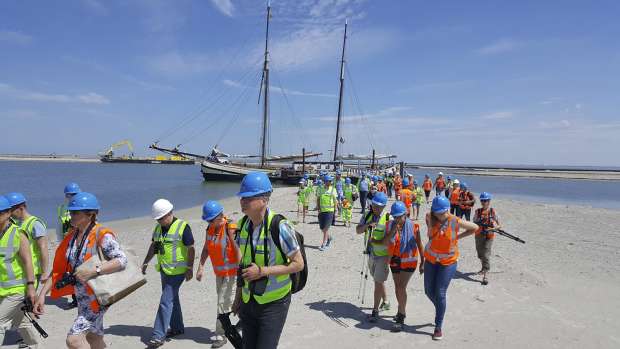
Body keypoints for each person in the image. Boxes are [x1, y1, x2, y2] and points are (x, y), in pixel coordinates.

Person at [34, 192, 128, 349]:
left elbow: (122, 260)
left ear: (90, 214)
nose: (70, 215)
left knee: (74, 340)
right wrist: (42, 294)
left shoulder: (102, 234)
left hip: (98, 297)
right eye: (70, 211)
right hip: (82, 298)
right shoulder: (72, 236)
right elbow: (59, 270)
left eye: (75, 212)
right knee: (94, 337)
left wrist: (94, 270)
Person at [231, 171, 304, 349]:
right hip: (249, 302)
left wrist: (263, 272)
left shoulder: (280, 226)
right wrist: (238, 296)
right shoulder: (242, 226)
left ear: (264, 199)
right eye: (242, 197)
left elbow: (298, 264)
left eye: (248, 198)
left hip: (274, 304)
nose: (242, 201)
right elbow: (242, 265)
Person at [423, 196, 478, 340]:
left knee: (440, 293)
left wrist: (458, 238)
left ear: (447, 209)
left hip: (448, 262)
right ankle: (440, 308)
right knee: (428, 291)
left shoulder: (454, 221)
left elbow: (475, 228)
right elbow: (430, 236)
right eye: (437, 212)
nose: (439, 215)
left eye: (442, 212)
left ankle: (438, 326)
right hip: (430, 260)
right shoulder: (429, 217)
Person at [142, 199, 195, 347]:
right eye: (157, 219)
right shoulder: (158, 229)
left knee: (166, 301)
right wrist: (146, 262)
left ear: (170, 213)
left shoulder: (183, 227)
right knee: (173, 300)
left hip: (178, 271)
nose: (159, 221)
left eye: (161, 218)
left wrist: (190, 268)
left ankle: (158, 335)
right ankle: (177, 328)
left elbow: (191, 248)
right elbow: (154, 246)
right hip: (165, 270)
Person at [196, 200, 240, 348]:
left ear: (218, 216)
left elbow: (238, 251)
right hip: (219, 274)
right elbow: (206, 249)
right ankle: (247, 319)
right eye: (207, 220)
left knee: (222, 303)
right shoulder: (209, 229)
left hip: (231, 273)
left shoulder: (230, 227)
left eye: (210, 219)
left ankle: (221, 335)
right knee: (227, 302)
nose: (208, 222)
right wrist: (200, 267)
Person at [0, 195, 40, 348]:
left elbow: (28, 262)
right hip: (2, 290)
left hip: (17, 289)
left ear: (8, 213)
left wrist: (31, 287)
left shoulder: (18, 233)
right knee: (23, 323)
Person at [383, 201, 424, 332]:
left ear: (405, 214)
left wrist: (423, 261)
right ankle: (402, 311)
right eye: (394, 216)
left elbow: (419, 244)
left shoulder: (414, 226)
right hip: (394, 260)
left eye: (399, 216)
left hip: (409, 261)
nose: (397, 219)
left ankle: (401, 316)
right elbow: (385, 242)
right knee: (397, 288)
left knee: (401, 287)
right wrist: (393, 231)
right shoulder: (389, 225)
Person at [355, 192, 390, 322]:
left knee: (377, 282)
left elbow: (391, 237)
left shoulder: (387, 218)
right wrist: (367, 226)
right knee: (378, 280)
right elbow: (358, 230)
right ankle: (386, 301)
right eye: (374, 205)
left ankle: (375, 311)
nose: (376, 208)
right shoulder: (367, 215)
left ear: (384, 206)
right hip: (369, 253)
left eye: (379, 206)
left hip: (383, 255)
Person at [6, 192, 50, 286]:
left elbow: (43, 248)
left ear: (21, 208)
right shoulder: (18, 224)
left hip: (33, 271)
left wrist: (45, 272)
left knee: (29, 298)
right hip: (21, 270)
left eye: (11, 210)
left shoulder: (35, 224)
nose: (9, 214)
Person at [473, 192, 500, 286]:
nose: (484, 202)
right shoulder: (477, 212)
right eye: (482, 200)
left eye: (486, 201)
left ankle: (485, 275)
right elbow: (474, 223)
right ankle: (483, 268)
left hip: (489, 236)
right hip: (478, 235)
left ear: (489, 201)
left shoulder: (493, 212)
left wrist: (492, 228)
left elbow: (499, 226)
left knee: (486, 254)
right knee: (480, 254)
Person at [317, 176, 338, 251]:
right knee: (322, 228)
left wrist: (336, 210)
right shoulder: (320, 189)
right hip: (322, 211)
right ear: (324, 182)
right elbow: (318, 199)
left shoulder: (333, 189)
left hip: (330, 211)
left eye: (330, 181)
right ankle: (329, 238)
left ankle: (324, 244)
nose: (329, 182)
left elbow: (335, 201)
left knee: (326, 229)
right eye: (327, 181)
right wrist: (318, 209)